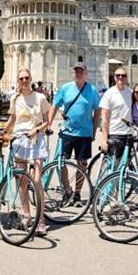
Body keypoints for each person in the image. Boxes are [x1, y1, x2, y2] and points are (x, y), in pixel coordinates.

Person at [3, 68, 51, 236]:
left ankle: (41, 220)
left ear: (31, 79)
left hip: (36, 140)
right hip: (19, 140)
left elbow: (47, 121)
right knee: (22, 180)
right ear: (18, 81)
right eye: (21, 78)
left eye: (26, 78)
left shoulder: (40, 98)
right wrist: (3, 131)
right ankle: (27, 214)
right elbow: (13, 118)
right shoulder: (15, 98)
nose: (24, 81)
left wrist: (36, 130)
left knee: (37, 181)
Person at [47, 62, 101, 206]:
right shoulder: (65, 88)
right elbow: (54, 106)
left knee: (82, 164)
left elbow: (98, 111)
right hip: (67, 132)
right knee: (61, 163)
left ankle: (77, 194)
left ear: (86, 73)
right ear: (73, 73)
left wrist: (94, 130)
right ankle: (67, 191)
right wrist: (48, 123)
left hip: (84, 133)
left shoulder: (92, 90)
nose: (78, 73)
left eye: (81, 71)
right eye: (76, 71)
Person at [99, 67, 133, 160]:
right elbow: (104, 118)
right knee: (114, 167)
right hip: (114, 133)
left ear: (126, 77)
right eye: (118, 75)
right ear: (114, 77)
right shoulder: (109, 93)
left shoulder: (130, 92)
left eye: (123, 75)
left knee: (125, 166)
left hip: (128, 134)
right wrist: (104, 139)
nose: (120, 77)